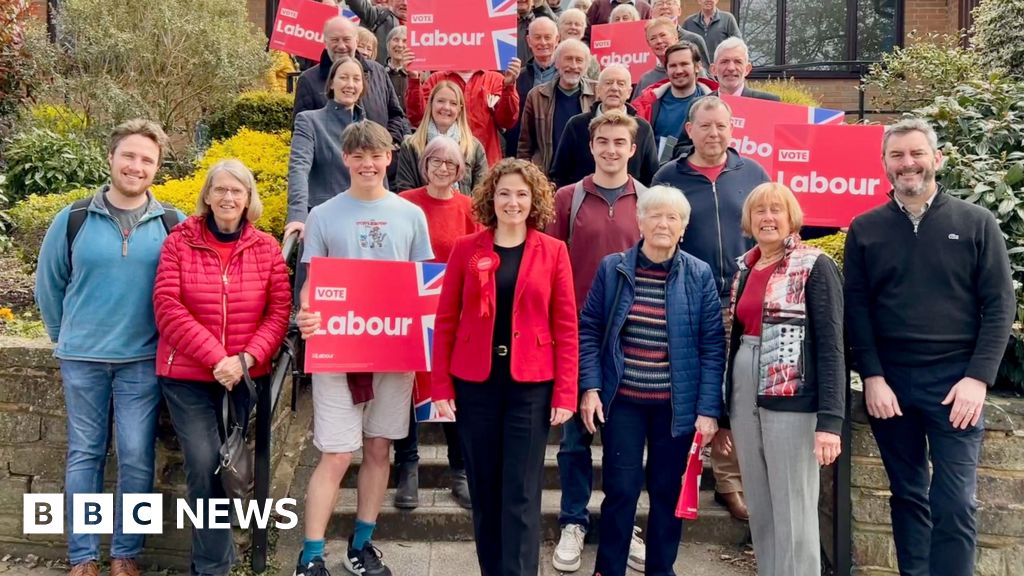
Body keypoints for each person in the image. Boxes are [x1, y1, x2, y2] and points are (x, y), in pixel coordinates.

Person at [844, 118, 1015, 576]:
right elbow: (857, 310)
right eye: (897, 156)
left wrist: (978, 379)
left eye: (917, 153)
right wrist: (873, 376)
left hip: (956, 385)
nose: (908, 164)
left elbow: (1000, 306)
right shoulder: (865, 229)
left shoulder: (977, 224)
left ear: (936, 158)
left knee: (955, 502)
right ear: (884, 165)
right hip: (892, 387)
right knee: (908, 495)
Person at [35, 119, 182, 576]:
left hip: (140, 360)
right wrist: (65, 335)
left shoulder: (172, 224)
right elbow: (49, 283)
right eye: (129, 156)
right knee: (85, 453)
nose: (136, 166)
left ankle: (124, 553)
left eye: (146, 160)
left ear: (156, 167)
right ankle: (83, 556)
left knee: (137, 454)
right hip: (82, 360)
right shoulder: (74, 218)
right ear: (112, 158)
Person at [293, 121, 434, 576]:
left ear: (389, 158)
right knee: (336, 453)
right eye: (359, 156)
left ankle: (362, 544)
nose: (368, 164)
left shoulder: (410, 215)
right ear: (346, 160)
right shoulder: (323, 214)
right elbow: (312, 285)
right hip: (339, 351)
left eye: (376, 156)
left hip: (393, 352)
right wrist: (306, 314)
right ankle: (311, 554)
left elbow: (422, 286)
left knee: (378, 450)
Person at [431, 158, 579, 576]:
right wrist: (440, 387)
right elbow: (445, 321)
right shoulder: (466, 249)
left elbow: (566, 326)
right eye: (504, 193)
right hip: (475, 385)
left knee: (521, 491)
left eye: (521, 194)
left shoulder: (553, 251)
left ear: (534, 201)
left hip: (529, 388)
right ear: (490, 198)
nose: (512, 202)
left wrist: (566, 392)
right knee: (484, 489)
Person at [153, 160, 291, 576]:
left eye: (238, 191)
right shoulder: (179, 242)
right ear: (207, 195)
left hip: (244, 378)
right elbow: (167, 307)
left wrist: (245, 360)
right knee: (204, 462)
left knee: (230, 466)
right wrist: (217, 358)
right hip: (188, 377)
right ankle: (214, 566)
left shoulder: (265, 247)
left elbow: (279, 311)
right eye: (221, 190)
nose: (229, 198)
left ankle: (216, 557)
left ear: (249, 198)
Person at [578, 185, 724, 576]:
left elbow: (712, 346)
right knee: (621, 492)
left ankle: (661, 569)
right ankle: (609, 569)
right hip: (622, 401)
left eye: (672, 217)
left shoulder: (699, 274)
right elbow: (589, 330)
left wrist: (709, 410)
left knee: (666, 491)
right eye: (655, 215)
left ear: (684, 226)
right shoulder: (614, 268)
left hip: (674, 406)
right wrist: (590, 387)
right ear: (639, 221)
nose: (663, 223)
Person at [715, 182, 845, 576]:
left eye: (776, 210)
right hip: (744, 387)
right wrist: (723, 414)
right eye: (759, 211)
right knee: (762, 504)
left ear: (792, 219)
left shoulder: (814, 265)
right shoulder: (745, 267)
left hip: (793, 396)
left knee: (794, 507)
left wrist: (830, 423)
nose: (767, 218)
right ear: (748, 220)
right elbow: (734, 337)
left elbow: (832, 345)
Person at [651, 96, 769, 521]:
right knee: (694, 384)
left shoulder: (752, 173)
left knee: (734, 388)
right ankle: (687, 471)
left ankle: (729, 481)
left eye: (721, 126)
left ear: (732, 128)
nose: (714, 134)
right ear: (689, 130)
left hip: (743, 295)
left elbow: (769, 230)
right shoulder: (669, 176)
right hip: (688, 295)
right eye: (705, 126)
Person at [545, 110, 649, 574]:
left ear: (632, 148)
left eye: (619, 142)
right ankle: (573, 520)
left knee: (626, 441)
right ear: (591, 146)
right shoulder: (567, 199)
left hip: (634, 335)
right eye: (603, 141)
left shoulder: (648, 200)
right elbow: (547, 263)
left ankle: (623, 525)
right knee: (573, 439)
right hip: (576, 335)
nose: (611, 149)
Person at [394, 136, 482, 510]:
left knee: (451, 388)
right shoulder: (404, 203)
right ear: (424, 164)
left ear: (461, 170)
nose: (443, 169)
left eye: (451, 164)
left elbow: (480, 257)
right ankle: (408, 467)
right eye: (435, 162)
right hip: (410, 308)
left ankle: (459, 470)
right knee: (407, 388)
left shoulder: (469, 206)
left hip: (454, 312)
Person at [292, 16, 408, 147]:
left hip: (380, 163)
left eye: (347, 39)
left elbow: (396, 115)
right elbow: (301, 136)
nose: (341, 46)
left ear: (356, 40)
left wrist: (389, 143)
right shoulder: (309, 80)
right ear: (325, 42)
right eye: (335, 40)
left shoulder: (378, 71)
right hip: (333, 165)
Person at [285, 56, 367, 241]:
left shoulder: (370, 129)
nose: (350, 84)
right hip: (323, 223)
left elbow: (380, 180)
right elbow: (299, 168)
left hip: (362, 224)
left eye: (356, 79)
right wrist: (298, 216)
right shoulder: (309, 121)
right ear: (331, 83)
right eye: (344, 77)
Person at [550, 65, 658, 188]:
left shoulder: (642, 128)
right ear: (598, 90)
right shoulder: (576, 125)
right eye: (608, 83)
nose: (614, 88)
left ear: (629, 93)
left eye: (621, 84)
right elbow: (560, 173)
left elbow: (651, 176)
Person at [404, 56, 522, 166]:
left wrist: (509, 87)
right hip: (443, 165)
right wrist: (414, 80)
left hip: (485, 164)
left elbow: (507, 121)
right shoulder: (435, 79)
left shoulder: (496, 80)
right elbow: (417, 118)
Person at [517, 39, 596, 173]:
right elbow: (525, 145)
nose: (573, 65)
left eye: (579, 60)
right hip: (548, 176)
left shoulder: (598, 93)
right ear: (557, 63)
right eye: (568, 59)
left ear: (586, 65)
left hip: (587, 176)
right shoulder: (536, 96)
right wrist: (526, 175)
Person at [396, 82, 488, 194]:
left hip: (462, 210)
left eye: (453, 103)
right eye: (440, 101)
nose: (446, 107)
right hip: (421, 210)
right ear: (431, 104)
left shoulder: (474, 147)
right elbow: (405, 190)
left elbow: (481, 193)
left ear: (460, 109)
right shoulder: (410, 146)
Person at [632, 41, 716, 159]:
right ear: (666, 70)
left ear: (697, 67)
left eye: (684, 64)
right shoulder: (648, 103)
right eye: (673, 66)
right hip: (655, 174)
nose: (678, 71)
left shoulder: (714, 104)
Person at [506, 16, 560, 158]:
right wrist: (509, 86)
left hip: (558, 151)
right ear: (529, 41)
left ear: (557, 39)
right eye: (537, 37)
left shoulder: (567, 78)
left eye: (548, 37)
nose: (543, 42)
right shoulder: (518, 77)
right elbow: (508, 119)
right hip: (524, 153)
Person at [632, 14, 710, 98]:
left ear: (676, 37)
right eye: (653, 38)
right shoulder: (646, 80)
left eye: (663, 35)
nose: (659, 41)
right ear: (648, 44)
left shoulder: (695, 71)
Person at [710, 37, 780, 100]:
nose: (731, 68)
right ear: (713, 69)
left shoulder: (769, 103)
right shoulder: (700, 105)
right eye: (724, 61)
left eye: (738, 62)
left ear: (747, 69)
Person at [345, 0, 406, 66]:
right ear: (391, 2)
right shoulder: (379, 15)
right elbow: (357, 4)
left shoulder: (417, 26)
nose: (405, 3)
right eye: (400, 0)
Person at [557, 8, 601, 80]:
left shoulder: (591, 60)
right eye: (568, 23)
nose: (573, 27)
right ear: (559, 26)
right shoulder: (551, 53)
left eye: (577, 24)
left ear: (584, 29)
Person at [584, 0, 652, 38]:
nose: (621, 21)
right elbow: (585, 34)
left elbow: (650, 35)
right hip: (604, 56)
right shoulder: (598, 5)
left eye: (625, 18)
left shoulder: (645, 8)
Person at [384, 26, 409, 107]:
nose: (400, 45)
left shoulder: (419, 77)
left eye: (405, 41)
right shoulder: (379, 73)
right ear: (388, 44)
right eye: (396, 40)